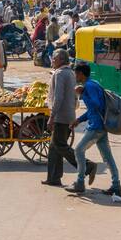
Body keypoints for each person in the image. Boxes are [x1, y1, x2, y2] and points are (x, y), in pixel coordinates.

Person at [68, 63, 121, 198]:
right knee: (108, 157)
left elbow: (97, 105)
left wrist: (83, 92)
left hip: (96, 127)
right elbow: (93, 111)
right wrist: (79, 120)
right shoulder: (94, 83)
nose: (75, 76)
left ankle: (80, 183)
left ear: (81, 74)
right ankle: (116, 186)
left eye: (76, 73)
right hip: (101, 126)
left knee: (78, 150)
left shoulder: (89, 86)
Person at [42, 49, 79, 187]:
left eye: (54, 59)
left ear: (61, 60)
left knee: (60, 146)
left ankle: (86, 166)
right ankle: (53, 177)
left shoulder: (60, 74)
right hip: (68, 115)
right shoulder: (70, 73)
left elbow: (58, 98)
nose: (52, 61)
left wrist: (52, 117)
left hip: (61, 117)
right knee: (54, 148)